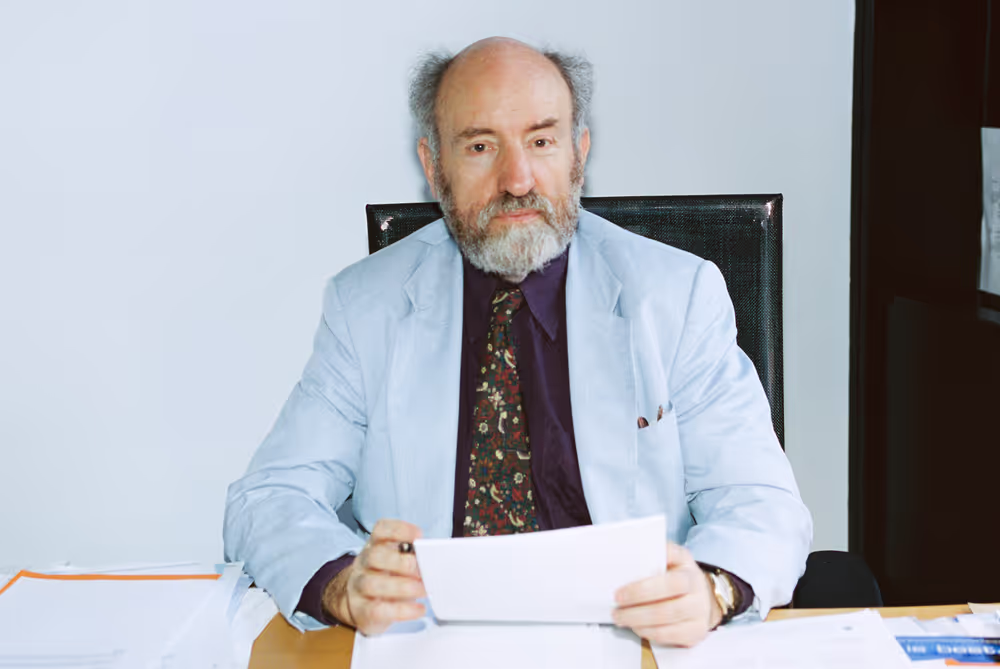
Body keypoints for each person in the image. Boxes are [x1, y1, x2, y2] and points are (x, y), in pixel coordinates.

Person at [224, 36, 812, 648]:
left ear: (578, 152)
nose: (517, 178)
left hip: (627, 638)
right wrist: (340, 584)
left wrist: (713, 587)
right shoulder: (365, 307)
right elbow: (268, 497)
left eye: (541, 140)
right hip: (432, 643)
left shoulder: (677, 295)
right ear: (434, 165)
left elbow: (762, 503)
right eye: (481, 146)